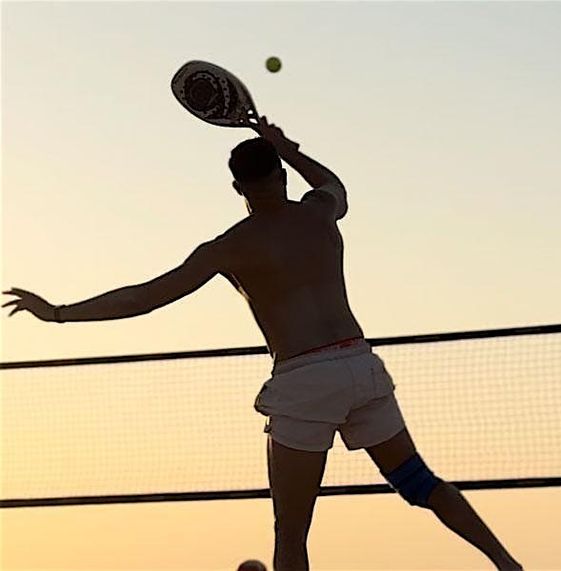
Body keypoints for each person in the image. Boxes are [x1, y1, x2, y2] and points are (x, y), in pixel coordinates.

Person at [3, 119, 522, 571]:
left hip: (304, 381)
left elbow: (149, 296)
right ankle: (507, 563)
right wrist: (286, 145)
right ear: (280, 176)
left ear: (236, 187)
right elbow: (334, 183)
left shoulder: (228, 247)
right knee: (419, 482)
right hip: (359, 364)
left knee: (290, 534)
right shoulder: (319, 212)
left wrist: (60, 314)